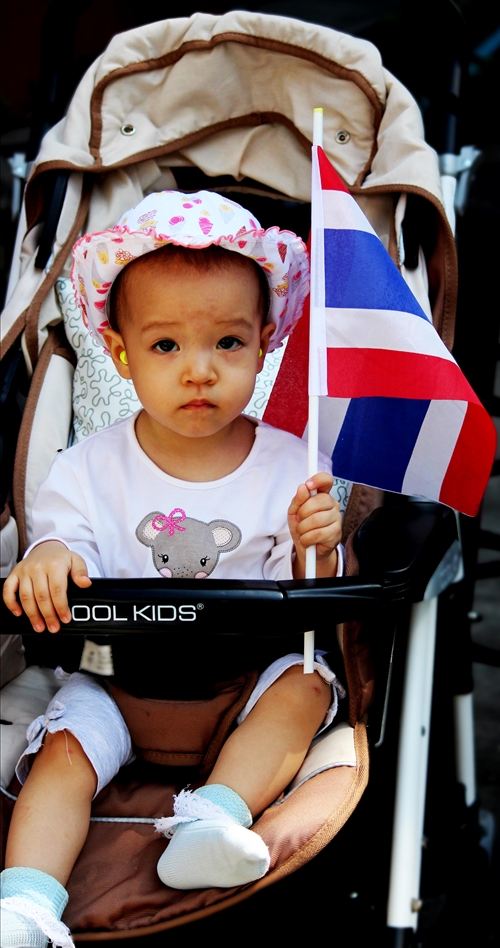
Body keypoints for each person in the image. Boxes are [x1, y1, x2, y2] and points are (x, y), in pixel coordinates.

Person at [0, 191, 344, 948]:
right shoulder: (89, 466)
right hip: (117, 678)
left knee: (309, 682)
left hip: (240, 682)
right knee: (61, 754)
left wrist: (318, 537)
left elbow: (317, 590)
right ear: (120, 354)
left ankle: (212, 817)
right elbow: (61, 550)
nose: (199, 371)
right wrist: (50, 558)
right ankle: (24, 903)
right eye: (166, 347)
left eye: (227, 343)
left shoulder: (295, 467)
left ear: (264, 346)